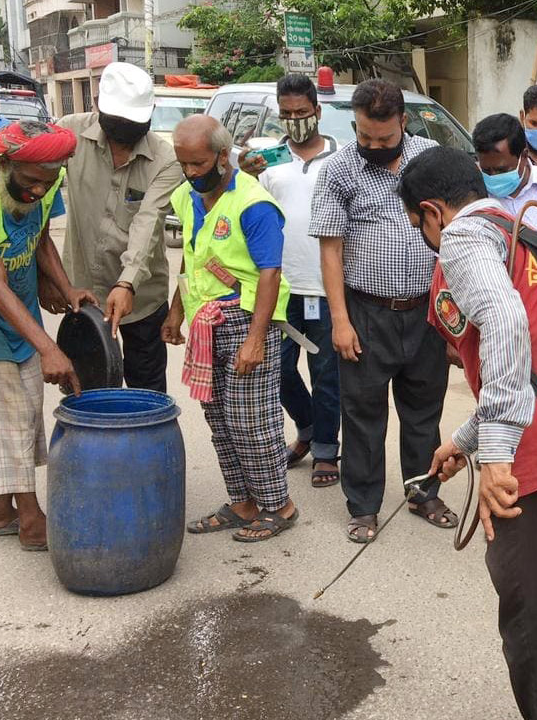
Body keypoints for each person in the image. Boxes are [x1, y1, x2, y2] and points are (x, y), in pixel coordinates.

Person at [401, 145, 537, 720]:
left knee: (535, 635)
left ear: (431, 212)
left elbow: (503, 321)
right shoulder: (520, 232)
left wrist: (495, 452)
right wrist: (466, 441)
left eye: (418, 227)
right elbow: (535, 363)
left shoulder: (464, 236)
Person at [310, 79, 455, 543]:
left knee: (423, 409)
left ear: (403, 124)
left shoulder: (431, 160)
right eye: (364, 136)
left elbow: (456, 231)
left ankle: (422, 492)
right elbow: (331, 251)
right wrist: (339, 320)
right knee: (363, 412)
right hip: (365, 312)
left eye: (384, 139)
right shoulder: (339, 170)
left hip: (427, 310)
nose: (372, 146)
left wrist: (455, 320)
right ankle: (364, 505)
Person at [0, 120, 92, 551]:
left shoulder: (45, 177)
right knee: (8, 413)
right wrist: (49, 348)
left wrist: (66, 289)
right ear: (3, 162)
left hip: (19, 309)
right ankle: (30, 519)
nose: (40, 190)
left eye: (49, 181)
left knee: (26, 407)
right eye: (30, 181)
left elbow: (42, 238)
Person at [165, 115, 298, 543]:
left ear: (224, 157)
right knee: (219, 420)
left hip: (246, 322)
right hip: (206, 322)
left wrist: (256, 339)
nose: (190, 173)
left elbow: (270, 274)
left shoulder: (253, 204)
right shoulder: (187, 197)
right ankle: (242, 502)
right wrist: (176, 310)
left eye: (198, 164)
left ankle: (279, 505)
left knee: (251, 421)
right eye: (183, 164)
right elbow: (192, 253)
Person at [238, 73, 342, 489]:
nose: (295, 119)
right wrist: (243, 176)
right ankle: (307, 425)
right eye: (287, 114)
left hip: (324, 285)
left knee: (326, 372)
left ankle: (325, 451)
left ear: (318, 111)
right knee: (277, 368)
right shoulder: (267, 162)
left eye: (302, 112)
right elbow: (248, 214)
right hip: (279, 288)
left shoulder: (341, 158)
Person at [56, 62, 181, 392]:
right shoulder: (68, 134)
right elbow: (39, 193)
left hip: (143, 299)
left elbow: (149, 221)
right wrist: (47, 277)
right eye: (118, 124)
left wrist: (127, 284)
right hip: (83, 294)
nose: (125, 134)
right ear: (97, 104)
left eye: (133, 124)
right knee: (86, 389)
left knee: (147, 396)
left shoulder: (165, 159)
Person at [472, 113, 537, 234]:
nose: (493, 176)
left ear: (524, 156)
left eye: (502, 170)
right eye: (486, 170)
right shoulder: (474, 197)